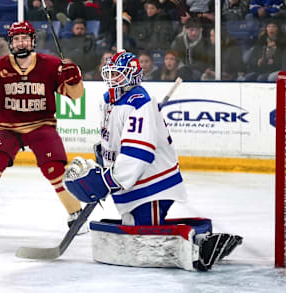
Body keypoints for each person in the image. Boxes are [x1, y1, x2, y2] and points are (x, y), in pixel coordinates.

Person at [63, 51, 242, 271]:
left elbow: (139, 153)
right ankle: (199, 234)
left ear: (134, 76)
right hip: (132, 180)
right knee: (133, 227)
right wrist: (103, 153)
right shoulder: (108, 99)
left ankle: (200, 243)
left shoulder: (140, 103)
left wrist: (109, 179)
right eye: (111, 73)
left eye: (119, 74)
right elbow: (113, 136)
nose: (113, 79)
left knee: (146, 233)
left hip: (152, 182)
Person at [0, 21, 85, 233]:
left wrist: (75, 81)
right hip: (8, 127)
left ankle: (76, 212)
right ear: (11, 43)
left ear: (33, 40)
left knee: (54, 169)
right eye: (17, 39)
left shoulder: (50, 64)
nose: (21, 43)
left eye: (25, 38)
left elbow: (75, 95)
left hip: (41, 125)